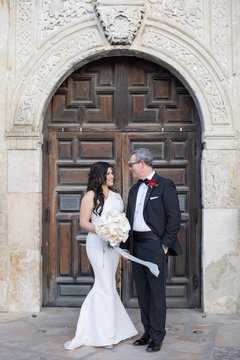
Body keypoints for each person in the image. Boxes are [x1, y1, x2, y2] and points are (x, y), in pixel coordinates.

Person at [64, 162, 138, 350]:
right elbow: (83, 222)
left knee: (108, 284)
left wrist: (118, 236)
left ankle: (113, 329)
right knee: (104, 284)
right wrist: (103, 231)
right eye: (108, 173)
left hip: (113, 245)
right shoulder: (90, 196)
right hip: (97, 244)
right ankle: (104, 335)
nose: (112, 176)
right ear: (99, 176)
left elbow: (120, 221)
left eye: (112, 173)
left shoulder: (116, 196)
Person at [123, 148, 182, 352]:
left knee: (156, 292)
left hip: (155, 245)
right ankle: (147, 332)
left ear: (141, 163)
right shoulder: (133, 190)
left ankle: (157, 336)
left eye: (131, 164)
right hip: (137, 246)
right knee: (143, 292)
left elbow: (174, 218)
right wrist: (127, 249)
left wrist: (165, 244)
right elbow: (129, 220)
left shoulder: (165, 185)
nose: (130, 168)